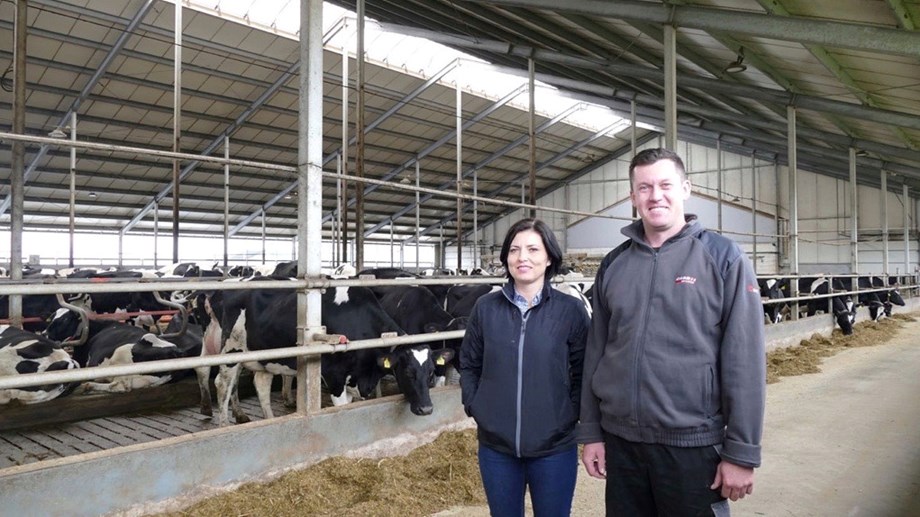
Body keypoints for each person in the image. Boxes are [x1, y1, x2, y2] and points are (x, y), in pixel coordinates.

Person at [578, 148, 766, 516]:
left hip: (692, 445)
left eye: (665, 184)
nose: (655, 195)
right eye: (644, 187)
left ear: (685, 188)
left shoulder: (723, 257)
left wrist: (742, 452)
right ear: (633, 197)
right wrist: (591, 432)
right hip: (622, 443)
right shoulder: (614, 263)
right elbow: (597, 351)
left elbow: (745, 362)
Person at [459, 218, 590, 517]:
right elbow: (469, 363)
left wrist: (568, 414)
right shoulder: (486, 308)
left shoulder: (569, 311)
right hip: (496, 447)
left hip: (554, 447)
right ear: (506, 257)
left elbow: (584, 369)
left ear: (549, 258)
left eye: (533, 249)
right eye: (515, 250)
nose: (523, 258)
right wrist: (475, 405)